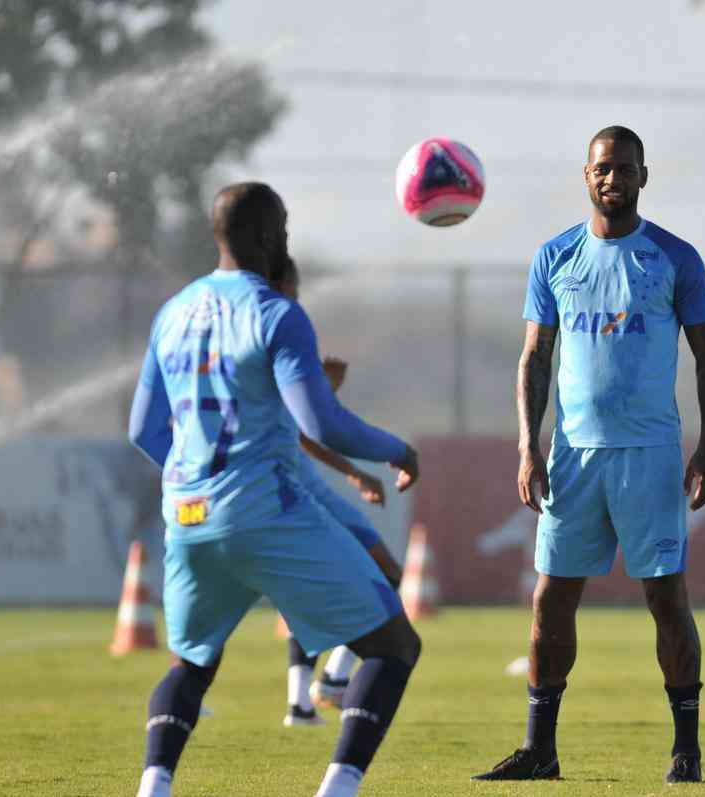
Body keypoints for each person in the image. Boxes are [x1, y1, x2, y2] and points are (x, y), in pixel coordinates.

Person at [128, 182, 422, 797]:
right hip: (265, 510)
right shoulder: (275, 312)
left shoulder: (174, 311)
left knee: (192, 663)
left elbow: (143, 429)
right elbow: (323, 424)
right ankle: (336, 790)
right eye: (283, 228)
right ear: (266, 236)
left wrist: (198, 477)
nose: (287, 240)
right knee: (393, 645)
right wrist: (397, 449)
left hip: (186, 514)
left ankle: (153, 788)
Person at [472, 126, 705, 784]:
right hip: (572, 457)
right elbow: (535, 358)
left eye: (623, 168)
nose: (611, 178)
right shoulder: (554, 257)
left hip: (648, 456)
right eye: (601, 168)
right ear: (585, 176)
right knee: (550, 600)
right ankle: (540, 748)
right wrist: (530, 446)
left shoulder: (674, 258)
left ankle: (686, 749)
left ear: (644, 177)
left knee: (666, 599)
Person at [267, 261, 405, 727]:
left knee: (299, 595)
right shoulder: (280, 327)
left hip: (281, 484)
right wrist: (325, 390)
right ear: (283, 285)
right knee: (384, 574)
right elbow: (312, 420)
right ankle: (330, 682)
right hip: (293, 488)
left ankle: (303, 701)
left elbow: (296, 429)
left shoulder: (249, 330)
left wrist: (352, 473)